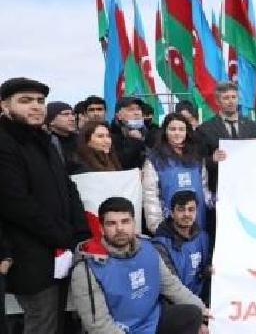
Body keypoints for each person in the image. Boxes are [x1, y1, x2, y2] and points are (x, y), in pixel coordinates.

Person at [0, 77, 90, 334]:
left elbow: (67, 187)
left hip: (59, 251)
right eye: (25, 101)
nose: (36, 106)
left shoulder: (43, 140)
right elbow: (15, 203)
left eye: (40, 101)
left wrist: (80, 232)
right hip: (31, 257)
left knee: (57, 322)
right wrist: (61, 235)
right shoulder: (5, 143)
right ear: (5, 107)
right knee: (42, 323)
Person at [71, 197, 209, 334]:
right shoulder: (86, 267)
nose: (120, 229)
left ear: (134, 223)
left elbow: (171, 286)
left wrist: (203, 311)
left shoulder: (148, 247)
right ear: (101, 228)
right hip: (121, 329)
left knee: (193, 314)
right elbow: (99, 326)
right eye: (111, 223)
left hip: (152, 320)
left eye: (125, 222)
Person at [143, 113, 212, 234]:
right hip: (169, 226)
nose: (177, 133)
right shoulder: (155, 160)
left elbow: (204, 188)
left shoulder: (197, 158)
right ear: (165, 131)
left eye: (181, 129)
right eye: (172, 129)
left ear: (187, 132)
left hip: (197, 223)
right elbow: (150, 196)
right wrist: (157, 226)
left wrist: (216, 202)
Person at [197, 82, 256, 193]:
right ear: (217, 101)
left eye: (233, 97)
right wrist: (212, 159)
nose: (231, 101)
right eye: (226, 98)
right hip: (219, 189)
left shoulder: (252, 127)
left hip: (248, 187)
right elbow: (197, 161)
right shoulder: (205, 129)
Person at [152, 191, 211, 298]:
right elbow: (171, 287)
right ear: (171, 213)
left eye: (191, 209)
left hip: (201, 296)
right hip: (176, 302)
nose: (186, 214)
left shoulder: (203, 237)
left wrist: (209, 271)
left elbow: (203, 271)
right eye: (181, 209)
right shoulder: (160, 245)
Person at [110, 97, 147, 169]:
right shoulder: (110, 136)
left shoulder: (151, 133)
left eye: (138, 109)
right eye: (131, 109)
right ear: (119, 115)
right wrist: (135, 141)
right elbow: (122, 163)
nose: (137, 113)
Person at [45, 101, 78, 173]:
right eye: (66, 114)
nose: (72, 118)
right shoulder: (45, 143)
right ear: (51, 121)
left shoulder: (81, 139)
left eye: (72, 114)